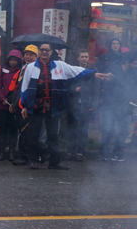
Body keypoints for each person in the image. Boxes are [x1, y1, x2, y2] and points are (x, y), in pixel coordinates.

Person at [20, 42, 107, 170]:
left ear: (51, 52)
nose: (44, 52)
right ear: (39, 52)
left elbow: (76, 70)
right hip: (35, 105)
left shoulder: (59, 65)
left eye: (47, 50)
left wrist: (93, 73)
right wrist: (24, 106)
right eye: (42, 50)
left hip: (53, 106)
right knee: (33, 135)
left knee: (53, 135)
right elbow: (25, 87)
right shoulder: (31, 67)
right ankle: (33, 160)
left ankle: (54, 162)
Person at [98, 56, 132, 162]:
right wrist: (108, 80)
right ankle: (103, 154)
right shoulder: (113, 70)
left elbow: (130, 89)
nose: (135, 66)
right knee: (107, 129)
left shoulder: (132, 73)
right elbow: (104, 86)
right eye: (134, 64)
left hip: (124, 106)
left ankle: (117, 153)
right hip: (109, 105)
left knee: (123, 130)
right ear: (127, 62)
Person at [9, 45, 37, 166]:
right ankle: (22, 154)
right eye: (26, 54)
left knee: (27, 132)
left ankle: (25, 155)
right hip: (20, 105)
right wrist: (14, 104)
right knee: (22, 131)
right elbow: (19, 88)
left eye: (31, 54)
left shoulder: (36, 69)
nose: (28, 57)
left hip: (30, 106)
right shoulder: (24, 68)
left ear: (37, 56)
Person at [65, 49, 95, 161]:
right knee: (72, 129)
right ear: (78, 58)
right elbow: (67, 85)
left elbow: (95, 89)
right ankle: (70, 151)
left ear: (88, 58)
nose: (84, 59)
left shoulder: (92, 71)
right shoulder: (72, 70)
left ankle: (81, 152)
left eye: (86, 57)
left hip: (86, 104)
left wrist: (94, 104)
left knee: (83, 129)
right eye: (82, 56)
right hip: (73, 103)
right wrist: (74, 89)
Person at [0, 50, 22, 161]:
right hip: (3, 105)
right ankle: (1, 151)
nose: (13, 62)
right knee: (3, 129)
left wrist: (15, 102)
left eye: (15, 60)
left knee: (13, 129)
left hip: (15, 106)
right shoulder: (3, 71)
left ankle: (12, 151)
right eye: (11, 60)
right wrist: (2, 99)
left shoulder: (21, 71)